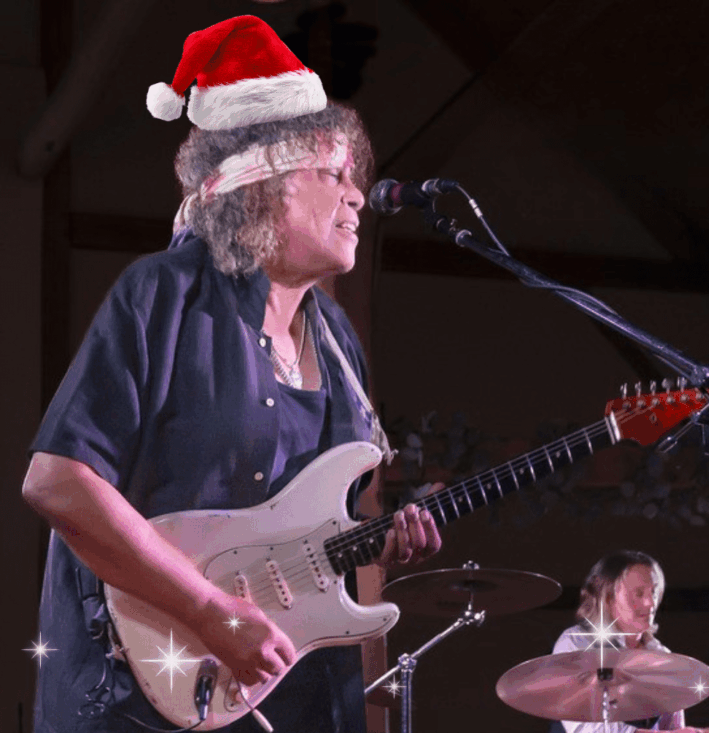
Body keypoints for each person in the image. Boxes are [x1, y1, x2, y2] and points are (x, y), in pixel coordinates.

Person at [21, 16, 441, 733]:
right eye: (332, 173)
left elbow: (307, 545)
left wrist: (381, 544)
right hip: (142, 695)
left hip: (298, 694)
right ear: (262, 181)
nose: (358, 196)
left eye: (357, 178)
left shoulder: (337, 339)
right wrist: (212, 614)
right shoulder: (163, 293)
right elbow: (57, 481)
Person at [550, 551, 709, 733]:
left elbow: (673, 728)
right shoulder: (576, 643)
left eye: (653, 592)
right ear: (608, 596)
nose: (650, 603)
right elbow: (584, 727)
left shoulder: (663, 656)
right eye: (638, 593)